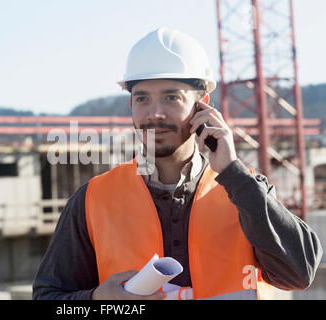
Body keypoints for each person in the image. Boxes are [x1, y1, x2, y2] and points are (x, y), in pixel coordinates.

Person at [32, 27, 323, 300]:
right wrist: (97, 299)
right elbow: (50, 296)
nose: (155, 113)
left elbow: (299, 274)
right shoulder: (92, 200)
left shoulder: (245, 190)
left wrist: (233, 173)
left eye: (172, 97)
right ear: (131, 105)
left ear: (202, 104)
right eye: (142, 98)